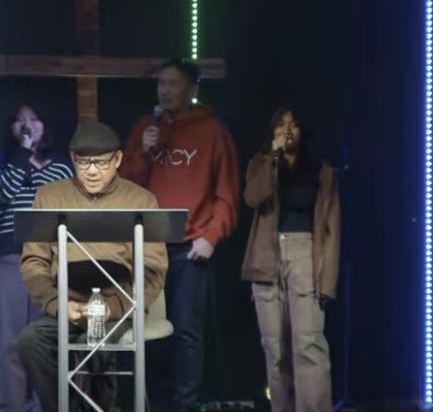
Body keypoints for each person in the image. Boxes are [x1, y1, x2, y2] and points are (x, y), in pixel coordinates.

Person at [17, 121, 168, 412]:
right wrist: (58, 304)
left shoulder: (141, 200)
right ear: (73, 159)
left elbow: (153, 270)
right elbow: (34, 262)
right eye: (84, 162)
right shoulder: (50, 197)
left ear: (118, 159)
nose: (92, 171)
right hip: (67, 305)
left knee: (97, 341)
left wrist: (114, 306)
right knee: (30, 341)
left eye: (101, 162)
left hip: (117, 306)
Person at [121, 58, 239, 411]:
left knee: (186, 330)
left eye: (173, 84)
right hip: (149, 247)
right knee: (144, 329)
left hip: (191, 249)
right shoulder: (146, 128)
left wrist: (211, 236)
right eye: (161, 84)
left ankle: (184, 405)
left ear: (192, 90)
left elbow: (227, 193)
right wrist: (144, 150)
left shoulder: (212, 131)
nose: (165, 90)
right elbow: (124, 187)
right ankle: (149, 403)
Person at [241, 106, 340, 412]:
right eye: (280, 125)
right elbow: (253, 197)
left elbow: (332, 227)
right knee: (274, 348)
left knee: (308, 343)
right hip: (266, 258)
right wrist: (272, 159)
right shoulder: (260, 164)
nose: (286, 131)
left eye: (293, 125)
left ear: (303, 131)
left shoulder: (321, 170)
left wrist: (328, 279)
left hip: (306, 254)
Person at [0, 104, 73, 412]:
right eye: (19, 121)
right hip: (8, 257)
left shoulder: (61, 168)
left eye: (34, 119)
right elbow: (3, 192)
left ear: (44, 125)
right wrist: (23, 153)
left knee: (43, 342)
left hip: (48, 261)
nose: (27, 125)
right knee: (10, 342)